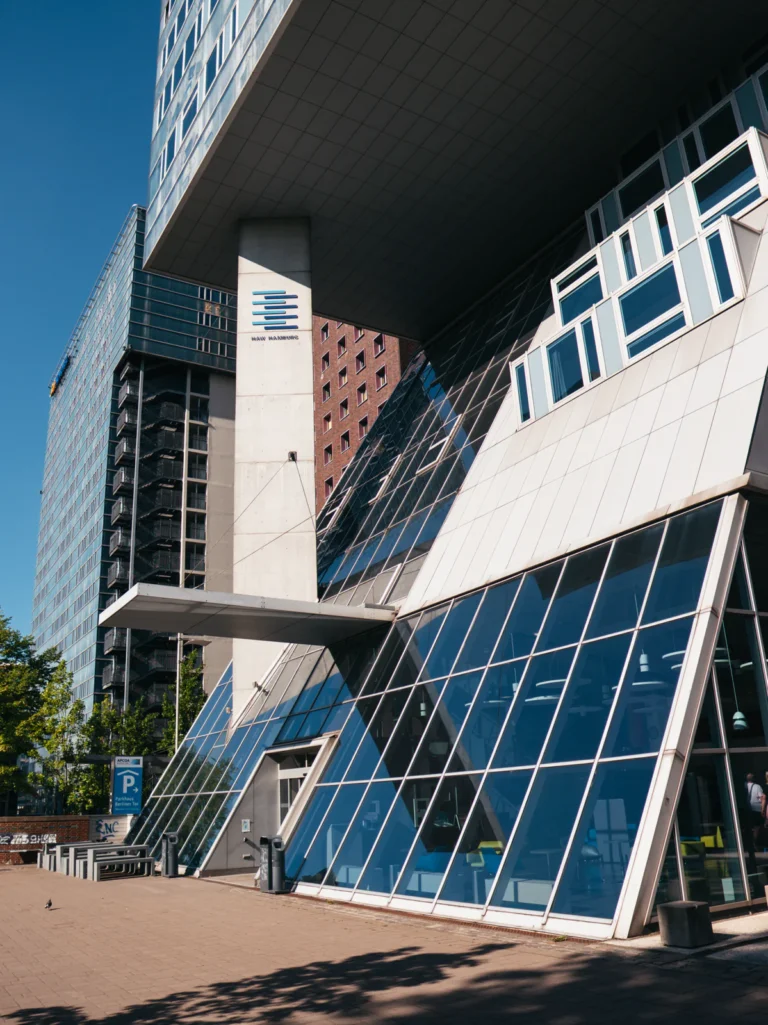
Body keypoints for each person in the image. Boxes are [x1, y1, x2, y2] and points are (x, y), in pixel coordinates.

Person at [746, 773, 767, 843]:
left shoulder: (744, 786)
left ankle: (749, 842)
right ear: (754, 779)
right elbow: (763, 798)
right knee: (757, 827)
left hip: (747, 809)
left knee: (749, 826)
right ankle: (754, 842)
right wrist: (763, 810)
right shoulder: (757, 787)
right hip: (756, 809)